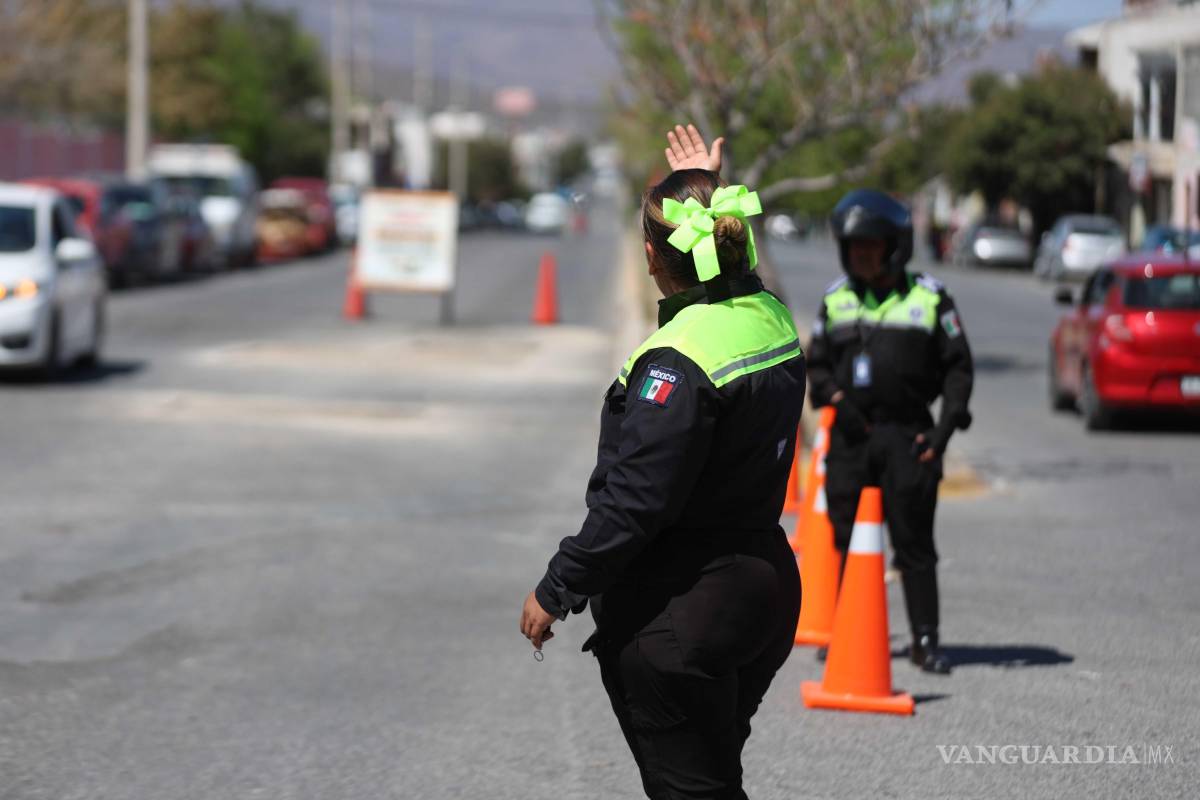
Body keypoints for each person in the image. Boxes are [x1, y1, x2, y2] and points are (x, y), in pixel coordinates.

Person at [520, 124, 805, 799]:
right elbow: (736, 272)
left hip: (684, 613)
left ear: (651, 256)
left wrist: (558, 587)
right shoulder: (768, 314)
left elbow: (635, 501)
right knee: (713, 778)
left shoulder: (678, 361)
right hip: (763, 592)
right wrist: (708, 187)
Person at [806, 189, 974, 675]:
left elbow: (959, 370)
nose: (859, 254)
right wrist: (837, 399)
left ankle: (925, 641)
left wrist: (943, 433)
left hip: (908, 438)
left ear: (894, 247)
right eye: (852, 246)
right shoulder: (836, 300)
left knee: (914, 545)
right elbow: (816, 366)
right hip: (851, 439)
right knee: (846, 539)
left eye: (869, 245)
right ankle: (847, 634)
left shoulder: (930, 298)